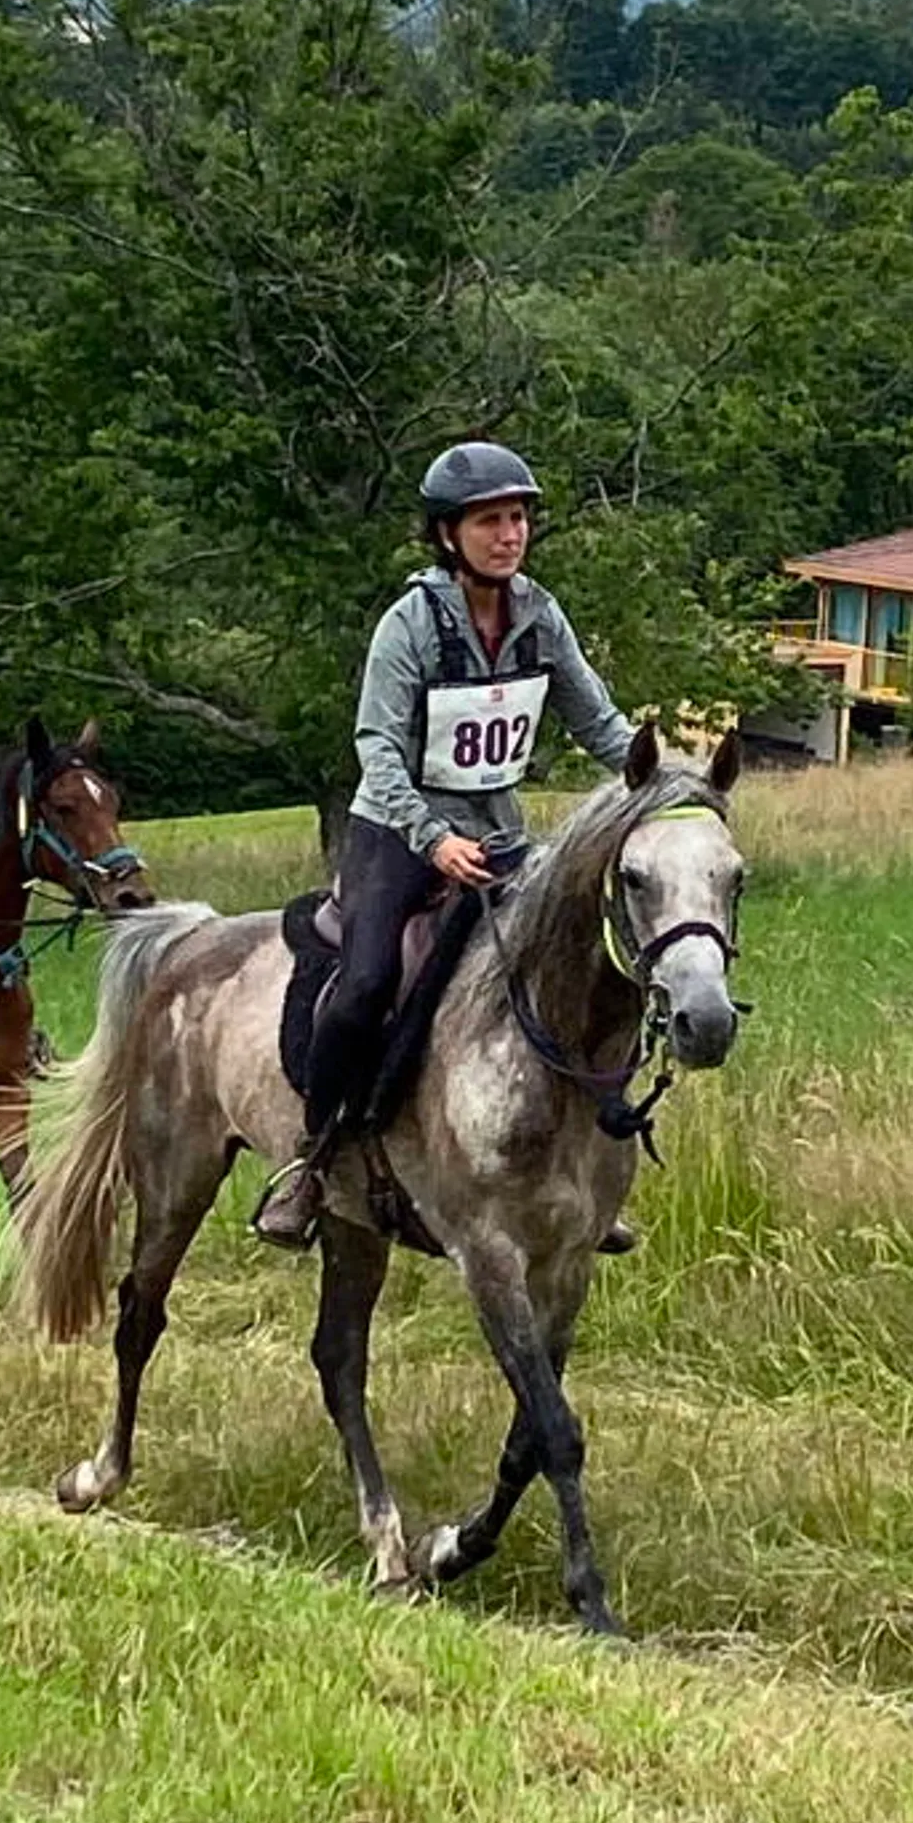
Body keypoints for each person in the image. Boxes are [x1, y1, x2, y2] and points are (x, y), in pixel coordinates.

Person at [253, 441, 640, 1250]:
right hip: (395, 835)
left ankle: (575, 1167)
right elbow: (378, 749)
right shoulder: (411, 625)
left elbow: (600, 723)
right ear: (446, 535)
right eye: (491, 520)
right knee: (363, 985)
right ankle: (314, 1158)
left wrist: (668, 783)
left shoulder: (541, 615)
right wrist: (432, 840)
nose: (511, 534)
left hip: (500, 834)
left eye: (520, 517)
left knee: (579, 966)